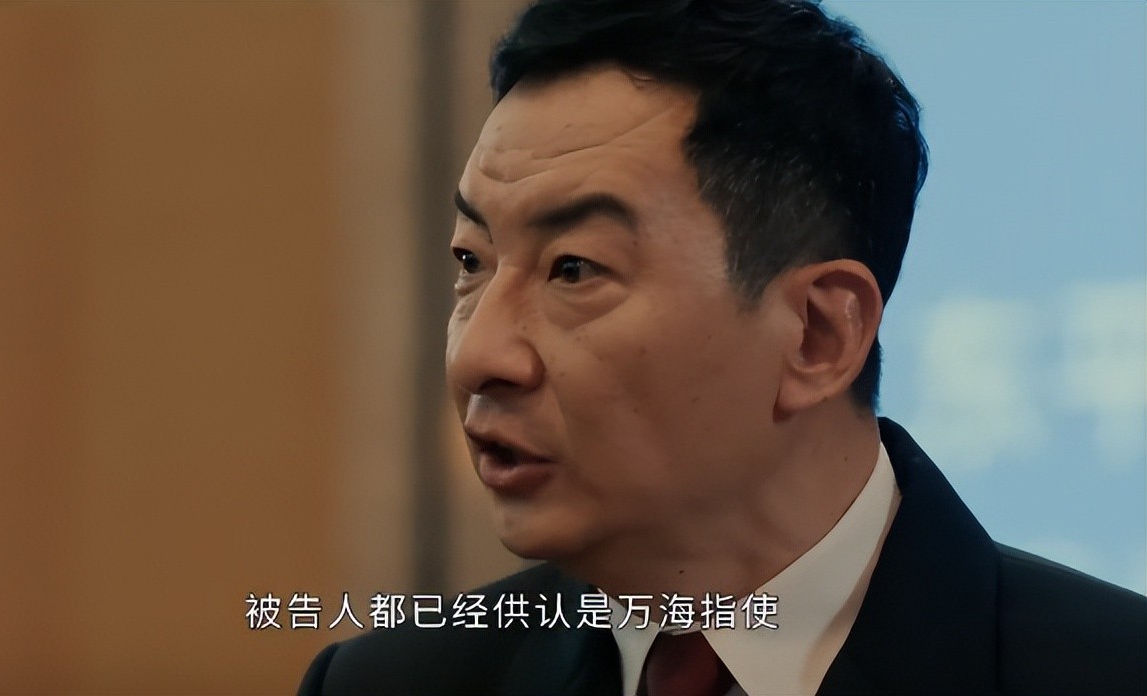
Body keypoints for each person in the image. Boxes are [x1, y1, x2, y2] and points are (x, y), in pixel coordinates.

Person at [299, 1, 1146, 693]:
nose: (477, 357)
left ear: (818, 335)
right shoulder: (390, 683)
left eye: (574, 269)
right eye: (470, 262)